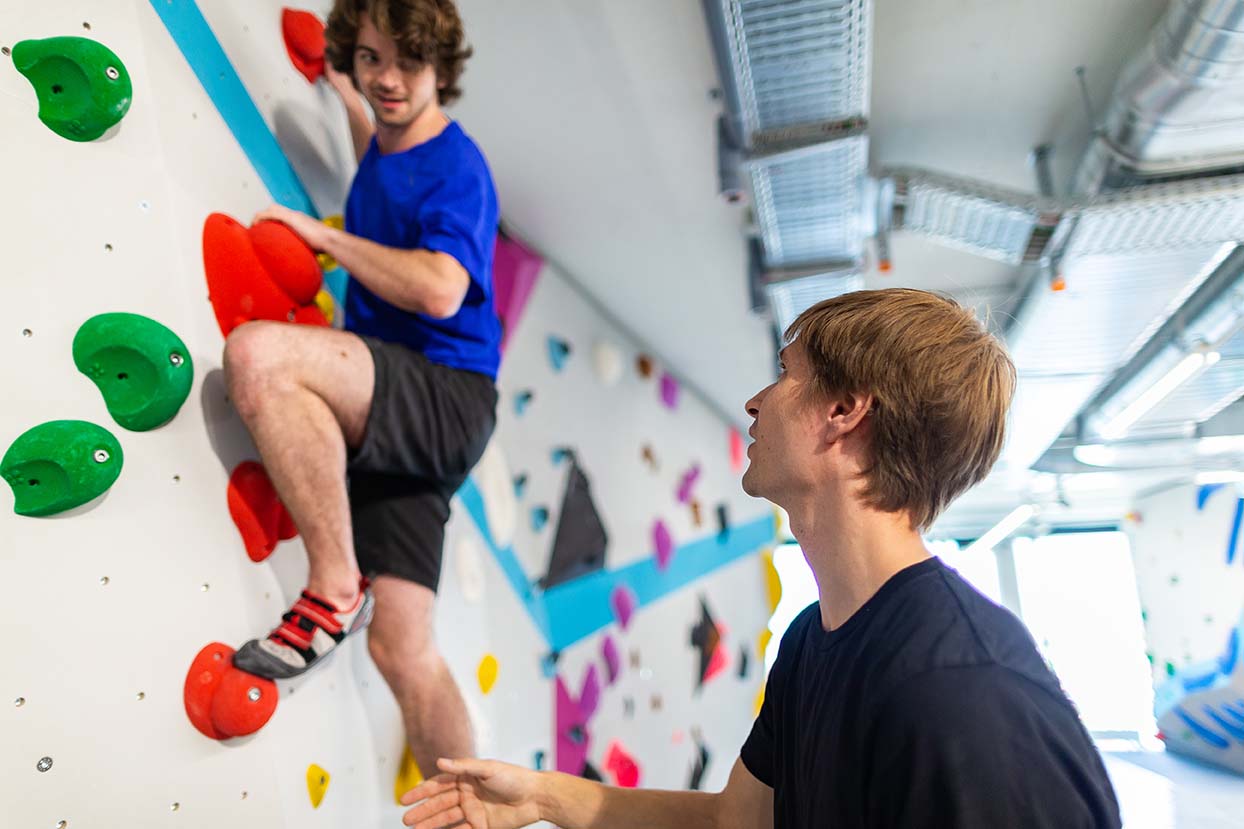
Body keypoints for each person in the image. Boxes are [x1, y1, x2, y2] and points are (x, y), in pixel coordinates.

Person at [397, 289, 1123, 828]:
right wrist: (544, 795)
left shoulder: (966, 692)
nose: (754, 400)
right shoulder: (813, 643)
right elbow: (731, 822)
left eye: (785, 373)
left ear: (844, 412)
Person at [222, 0, 499, 779]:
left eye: (407, 64)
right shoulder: (384, 135)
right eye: (371, 59)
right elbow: (373, 131)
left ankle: (333, 586)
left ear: (441, 68)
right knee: (403, 647)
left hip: (443, 395)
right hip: (402, 417)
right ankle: (467, 808)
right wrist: (340, 85)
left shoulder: (457, 165)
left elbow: (443, 289)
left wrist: (328, 239)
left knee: (260, 358)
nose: (387, 80)